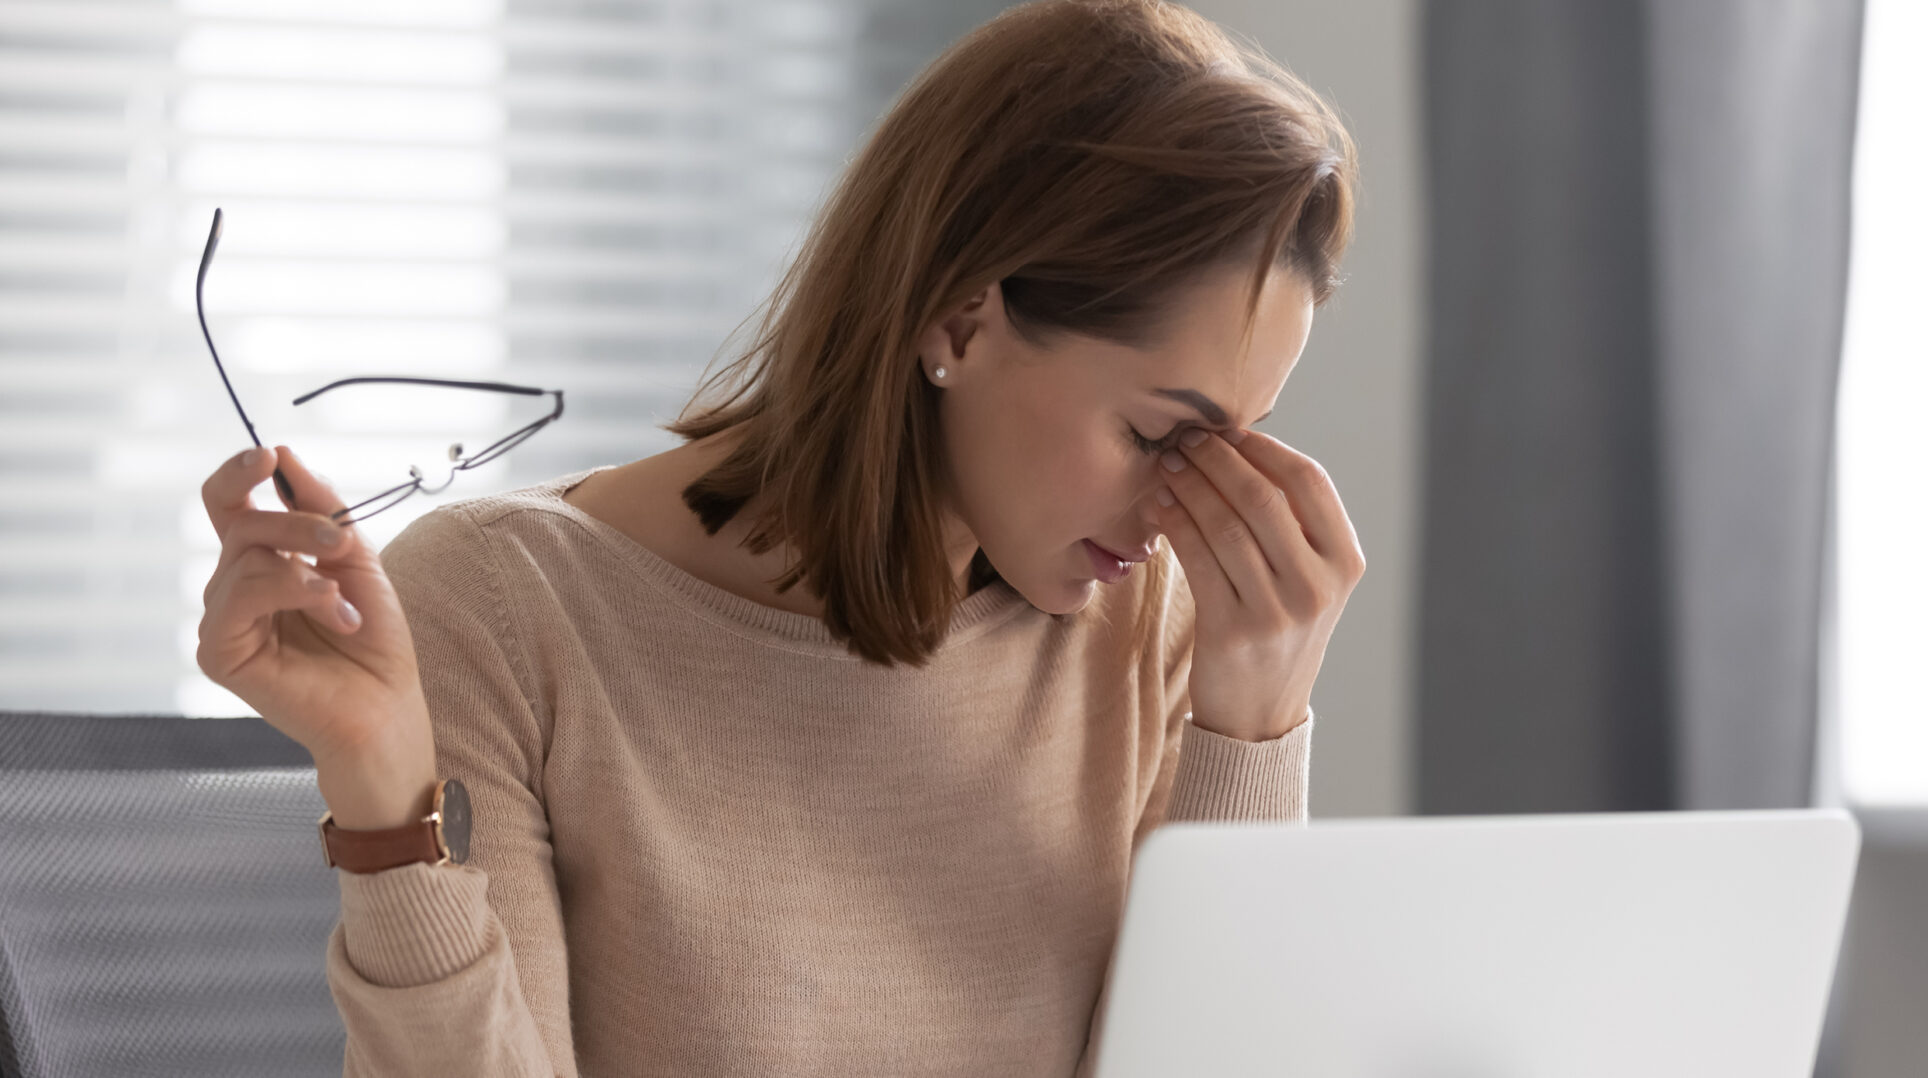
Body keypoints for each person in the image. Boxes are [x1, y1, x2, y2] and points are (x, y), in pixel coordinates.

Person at [193, 0, 1363, 1073]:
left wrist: (1249, 731)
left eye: (1237, 443)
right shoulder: (509, 607)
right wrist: (391, 816)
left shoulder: (1145, 632)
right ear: (961, 319)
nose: (1189, 508)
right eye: (1163, 435)